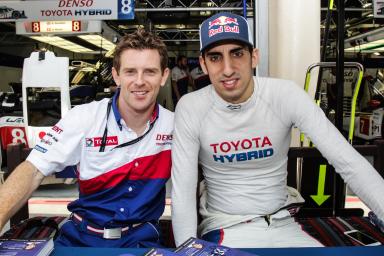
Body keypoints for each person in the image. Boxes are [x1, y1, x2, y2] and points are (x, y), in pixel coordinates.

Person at [171, 12, 384, 248]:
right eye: (215, 57)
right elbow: (183, 189)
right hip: (225, 227)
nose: (228, 69)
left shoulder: (284, 94)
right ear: (203, 64)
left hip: (284, 223)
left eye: (237, 54)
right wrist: (187, 250)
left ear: (254, 57)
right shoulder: (191, 107)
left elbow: (347, 160)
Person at [0, 29, 174, 248]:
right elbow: (32, 169)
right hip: (81, 241)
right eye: (130, 71)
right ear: (116, 75)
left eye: (149, 71)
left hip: (144, 242)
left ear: (164, 75)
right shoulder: (84, 117)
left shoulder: (175, 125)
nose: (139, 81)